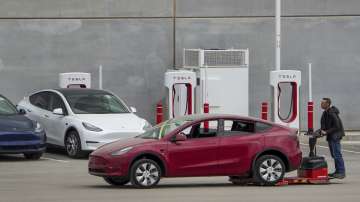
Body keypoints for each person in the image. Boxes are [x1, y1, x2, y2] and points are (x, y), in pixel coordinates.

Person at [320, 98, 346, 179]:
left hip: (335, 136)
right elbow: (324, 126)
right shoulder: (326, 113)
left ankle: (341, 172)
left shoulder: (332, 112)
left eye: (322, 103)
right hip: (331, 136)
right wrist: (318, 132)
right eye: (321, 102)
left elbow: (337, 126)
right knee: (334, 154)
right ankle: (337, 171)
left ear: (327, 103)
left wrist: (326, 132)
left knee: (337, 154)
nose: (321, 104)